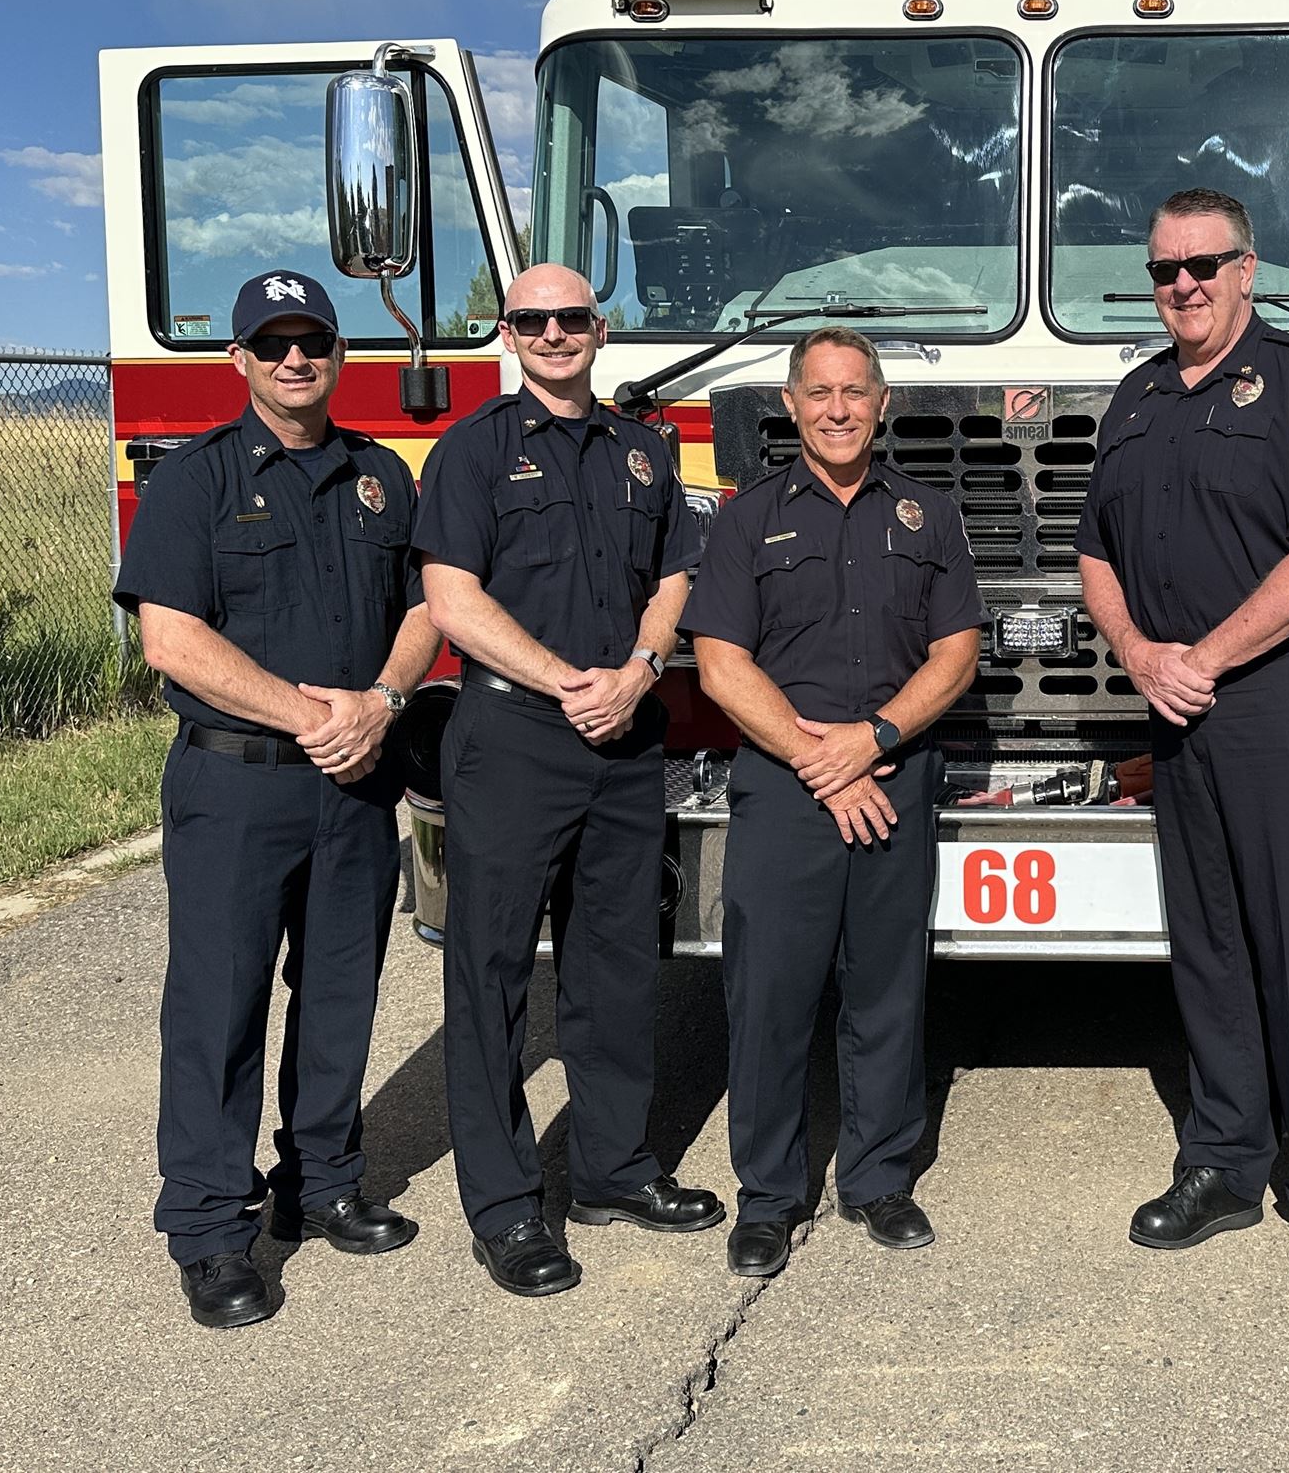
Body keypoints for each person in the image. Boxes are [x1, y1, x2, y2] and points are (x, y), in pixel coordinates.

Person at [114, 269, 438, 1329]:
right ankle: (211, 1231)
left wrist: (384, 700)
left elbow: (427, 607)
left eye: (315, 342)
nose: (297, 359)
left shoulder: (382, 476)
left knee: (342, 990)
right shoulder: (195, 481)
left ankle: (324, 1183)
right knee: (219, 1007)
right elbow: (172, 639)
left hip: (355, 785)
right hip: (237, 786)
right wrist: (312, 717)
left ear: (339, 355)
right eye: (274, 343)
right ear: (240, 359)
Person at [1077, 187, 1289, 1287]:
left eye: (1205, 264)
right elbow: (1095, 554)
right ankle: (1223, 1162)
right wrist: (1139, 657)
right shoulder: (1135, 398)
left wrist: (1201, 658)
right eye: (1165, 270)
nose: (1185, 286)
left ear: (1246, 269)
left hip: (1275, 712)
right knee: (1204, 946)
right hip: (1174, 712)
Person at [413, 263, 724, 1298]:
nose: (553, 334)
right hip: (511, 739)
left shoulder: (644, 452)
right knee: (492, 977)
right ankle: (505, 1211)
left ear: (600, 329)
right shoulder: (471, 451)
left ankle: (612, 1170)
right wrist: (563, 682)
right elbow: (450, 597)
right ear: (506, 334)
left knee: (618, 967)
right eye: (531, 320)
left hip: (623, 740)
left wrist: (637, 669)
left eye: (571, 318)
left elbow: (676, 570)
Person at [683, 328, 982, 1281]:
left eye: (855, 392)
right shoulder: (745, 520)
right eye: (821, 393)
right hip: (785, 780)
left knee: (887, 988)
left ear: (882, 403)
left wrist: (876, 740)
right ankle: (767, 1200)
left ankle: (879, 1181)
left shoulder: (930, 517)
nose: (839, 409)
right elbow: (723, 665)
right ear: (792, 403)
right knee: (769, 994)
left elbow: (956, 655)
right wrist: (823, 757)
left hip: (896, 774)